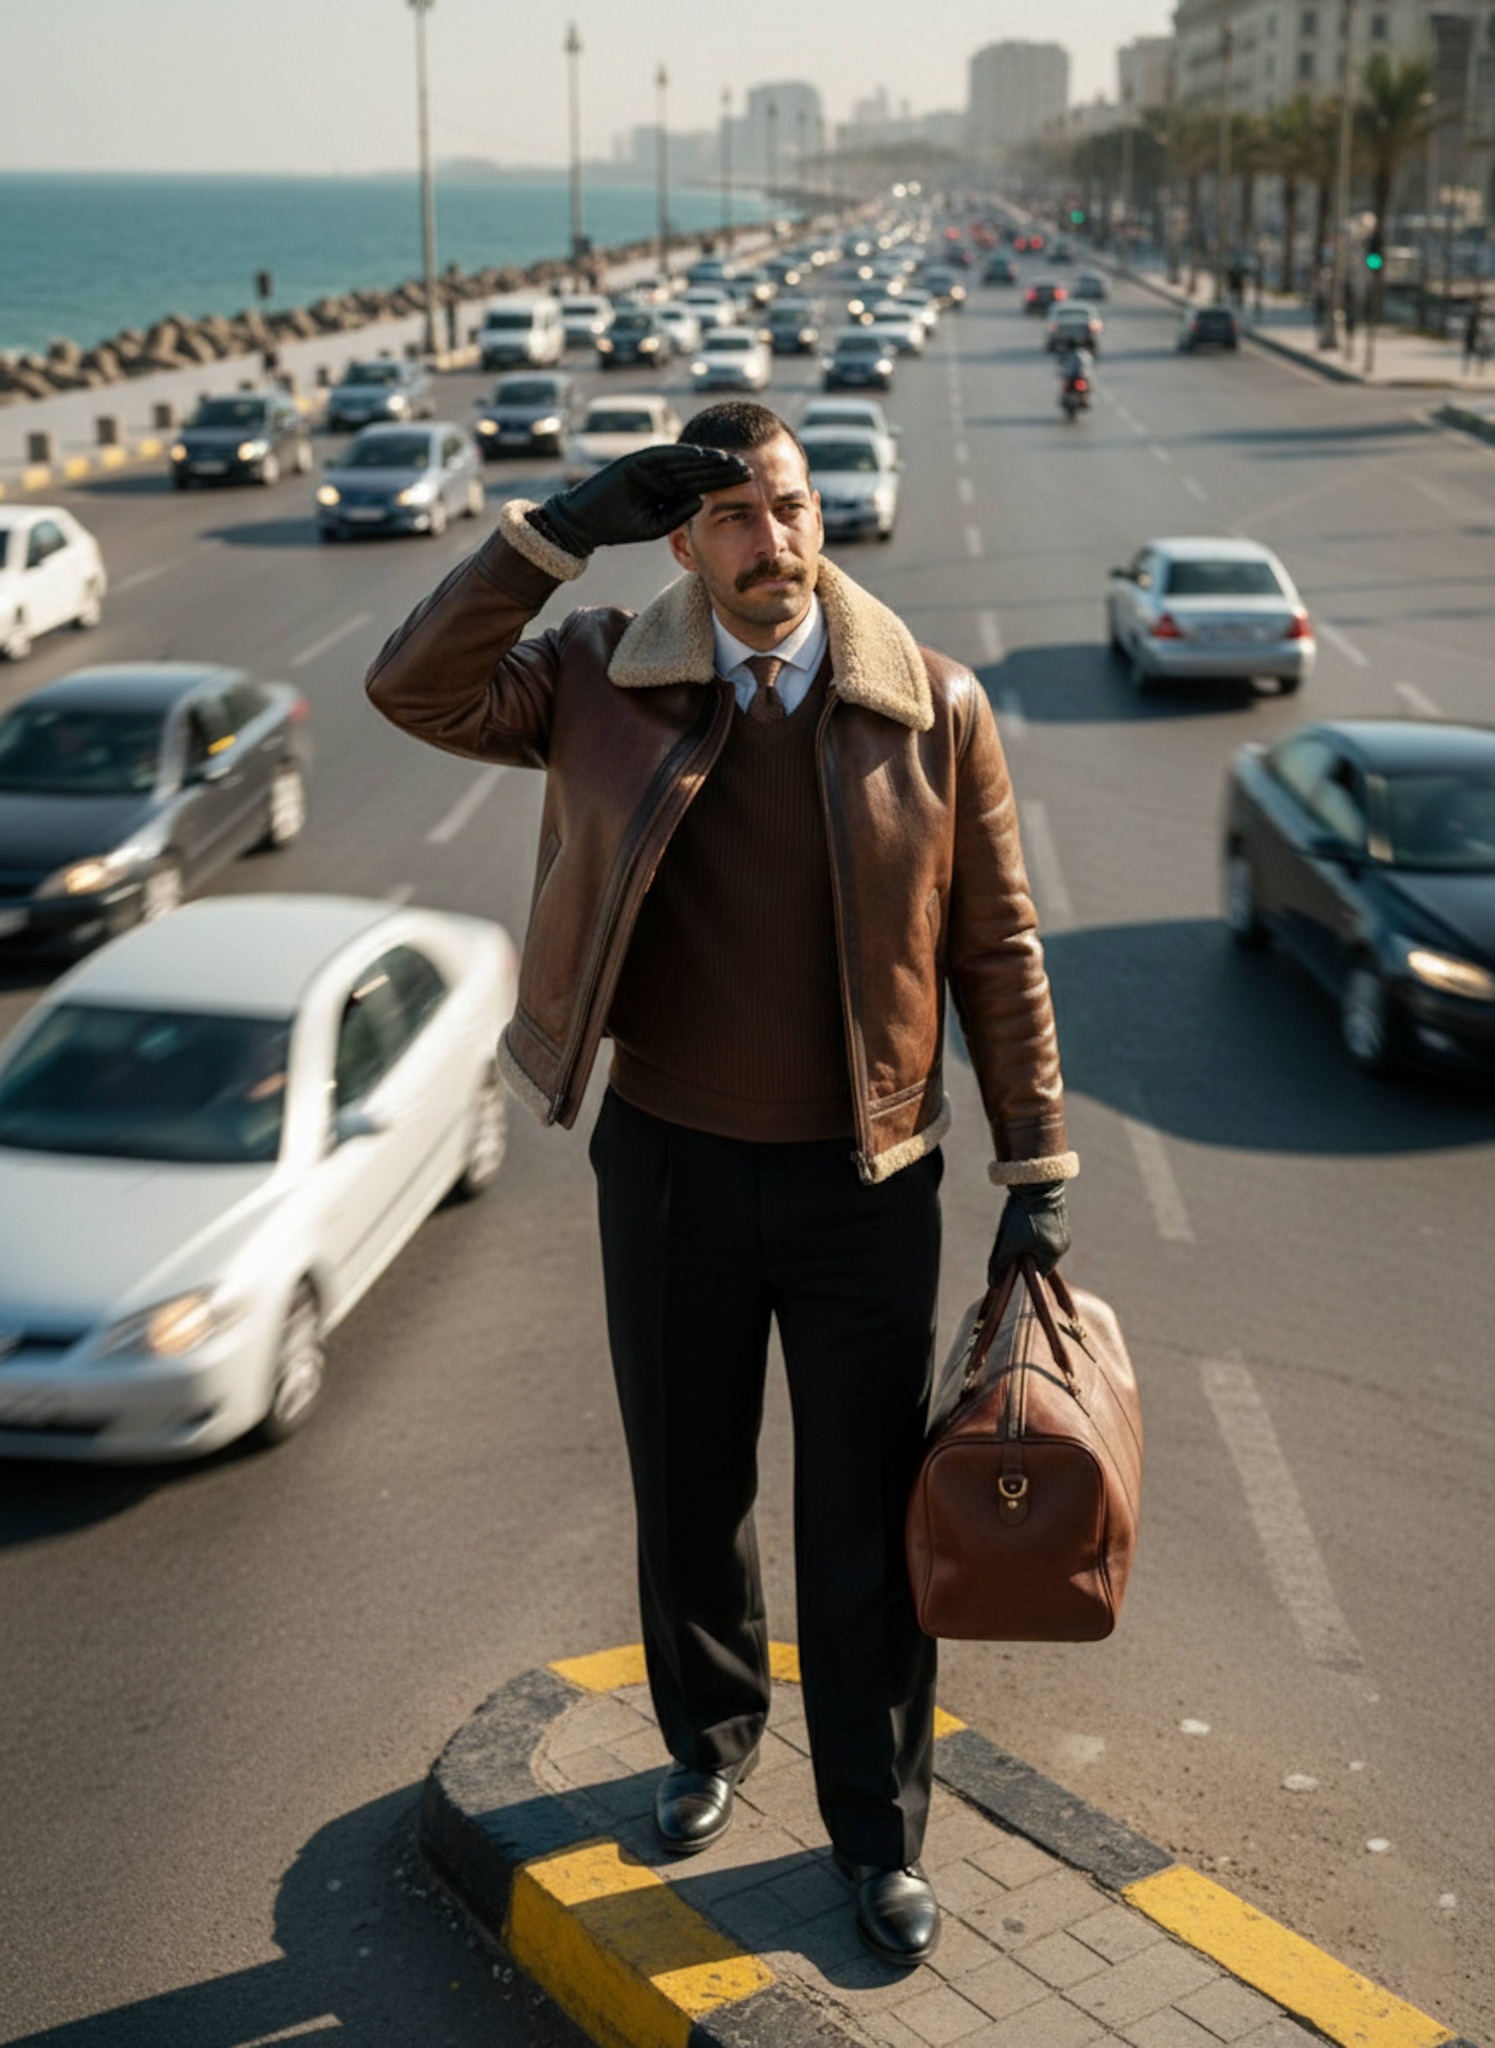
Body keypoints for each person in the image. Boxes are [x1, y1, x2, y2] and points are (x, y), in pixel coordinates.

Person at [365, 402, 1076, 1970]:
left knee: (866, 1531)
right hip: (671, 1164)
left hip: (864, 1183)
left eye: (796, 508)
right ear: (685, 540)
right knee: (690, 1491)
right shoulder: (601, 679)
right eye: (739, 518)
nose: (778, 541)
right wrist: (554, 529)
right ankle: (709, 1742)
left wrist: (1038, 1164)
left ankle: (877, 1839)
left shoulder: (931, 708)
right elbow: (410, 685)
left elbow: (997, 949)